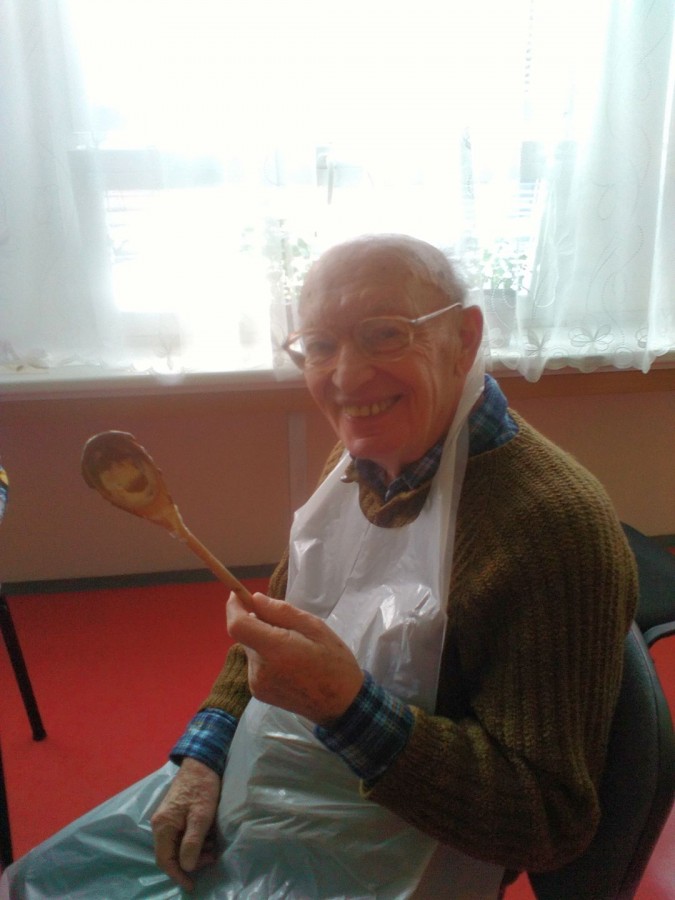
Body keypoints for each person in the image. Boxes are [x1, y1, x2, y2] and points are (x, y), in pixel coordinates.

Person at [0, 234, 637, 899]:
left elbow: (547, 823)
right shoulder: (361, 456)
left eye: (385, 334)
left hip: (404, 854)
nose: (347, 378)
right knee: (36, 882)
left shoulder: (550, 530)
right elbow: (276, 622)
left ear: (464, 337)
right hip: (271, 790)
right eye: (321, 345)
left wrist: (345, 706)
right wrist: (205, 753)